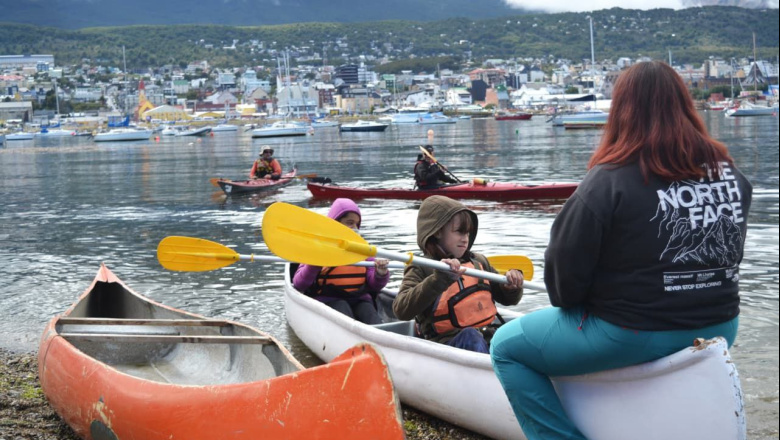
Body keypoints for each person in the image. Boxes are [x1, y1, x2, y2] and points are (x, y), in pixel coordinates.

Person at [490, 60, 753, 440]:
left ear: (623, 112)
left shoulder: (609, 180)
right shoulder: (730, 174)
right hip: (721, 325)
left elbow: (563, 288)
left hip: (634, 330)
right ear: (684, 106)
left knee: (506, 346)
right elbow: (729, 254)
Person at [393, 195, 524, 353]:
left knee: (520, 334)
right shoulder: (422, 267)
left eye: (468, 233)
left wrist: (511, 287)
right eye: (459, 232)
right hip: (446, 348)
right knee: (470, 337)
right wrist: (438, 279)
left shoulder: (479, 262)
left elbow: (509, 300)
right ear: (437, 231)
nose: (465, 239)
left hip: (488, 337)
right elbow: (401, 309)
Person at [292, 198, 390, 324]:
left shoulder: (363, 250)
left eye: (356, 224)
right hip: (328, 299)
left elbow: (375, 286)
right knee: (341, 306)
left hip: (358, 298)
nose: (354, 228)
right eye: (350, 223)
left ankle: (379, 338)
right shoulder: (318, 249)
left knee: (369, 312)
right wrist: (315, 262)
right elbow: (299, 284)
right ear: (335, 224)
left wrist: (380, 273)